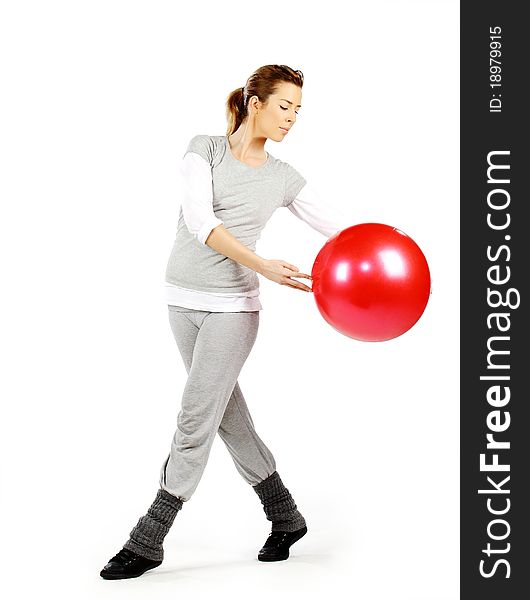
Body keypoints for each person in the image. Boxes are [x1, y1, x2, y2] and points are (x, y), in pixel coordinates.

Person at [100, 64, 351, 580]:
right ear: (255, 103)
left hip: (233, 310)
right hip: (180, 301)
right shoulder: (204, 148)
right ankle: (285, 516)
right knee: (227, 417)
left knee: (195, 416)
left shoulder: (284, 177)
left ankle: (150, 537)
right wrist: (263, 263)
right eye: (285, 106)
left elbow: (340, 230)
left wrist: (387, 235)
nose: (292, 118)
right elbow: (200, 221)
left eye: (299, 110)